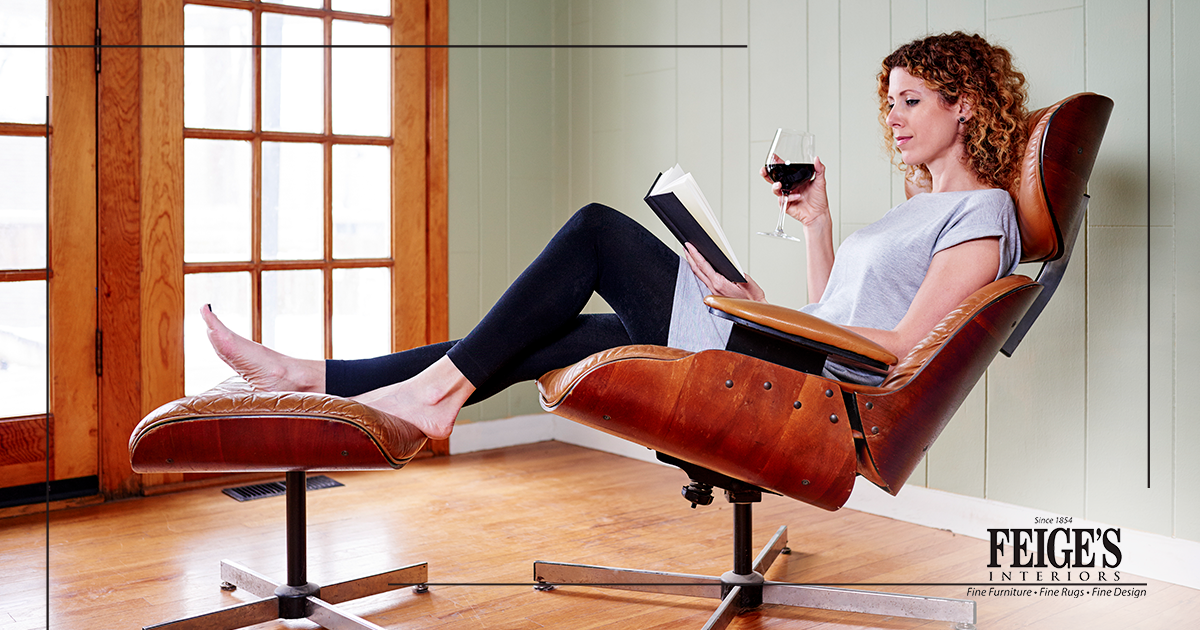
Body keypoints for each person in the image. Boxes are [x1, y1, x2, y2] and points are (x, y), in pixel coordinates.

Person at [202, 31, 1028, 441]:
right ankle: (314, 376)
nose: (894, 116)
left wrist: (769, 320)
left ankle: (431, 396)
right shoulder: (909, 212)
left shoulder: (982, 210)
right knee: (557, 333)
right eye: (889, 101)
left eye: (912, 99)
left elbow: (895, 354)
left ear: (964, 104)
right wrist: (808, 237)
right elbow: (836, 312)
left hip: (815, 393)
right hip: (790, 350)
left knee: (598, 231)